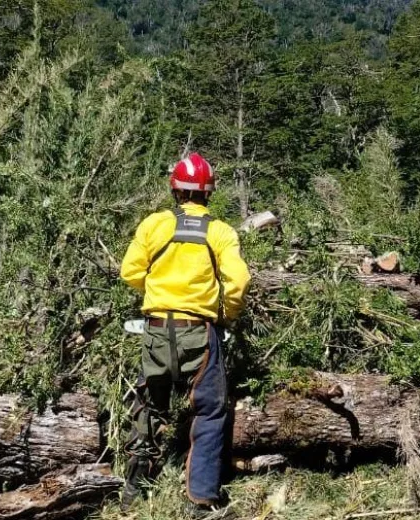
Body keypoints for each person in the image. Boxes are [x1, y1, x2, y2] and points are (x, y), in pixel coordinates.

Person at [119, 152, 251, 518]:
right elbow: (238, 281)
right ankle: (201, 498)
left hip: (158, 329)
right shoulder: (220, 231)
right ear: (209, 192)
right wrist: (227, 313)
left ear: (174, 189)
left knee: (148, 406)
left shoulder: (154, 225)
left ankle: (133, 488)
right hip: (199, 331)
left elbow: (130, 272)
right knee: (209, 412)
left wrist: (158, 292)